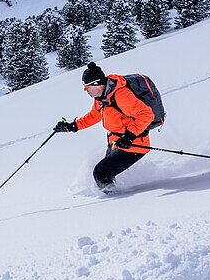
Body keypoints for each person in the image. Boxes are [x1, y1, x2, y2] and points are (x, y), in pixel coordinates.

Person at [53, 62, 154, 192]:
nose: (86, 90)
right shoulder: (102, 97)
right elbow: (94, 115)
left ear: (97, 84)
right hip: (116, 142)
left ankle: (112, 201)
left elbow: (146, 114)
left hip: (133, 144)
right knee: (105, 172)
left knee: (101, 173)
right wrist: (73, 126)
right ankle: (114, 193)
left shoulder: (121, 95)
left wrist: (129, 136)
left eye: (87, 86)